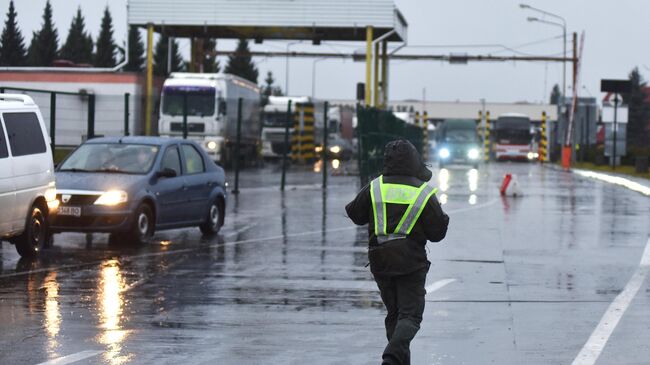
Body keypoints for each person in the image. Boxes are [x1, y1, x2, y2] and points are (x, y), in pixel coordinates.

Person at [345, 139, 449, 365]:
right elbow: (437, 233)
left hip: (380, 262)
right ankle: (391, 357)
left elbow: (354, 213)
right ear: (414, 161)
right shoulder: (423, 193)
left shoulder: (375, 186)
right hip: (411, 263)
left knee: (394, 315)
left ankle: (398, 362)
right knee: (410, 315)